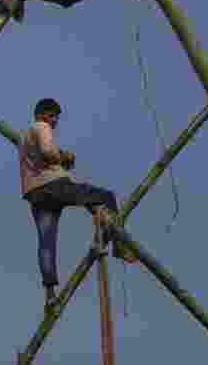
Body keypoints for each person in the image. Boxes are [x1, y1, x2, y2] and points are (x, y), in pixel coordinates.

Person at [19, 97, 136, 309]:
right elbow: (48, 151)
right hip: (53, 186)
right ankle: (120, 248)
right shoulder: (41, 127)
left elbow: (40, 157)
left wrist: (60, 159)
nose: (55, 121)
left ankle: (50, 294)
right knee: (106, 197)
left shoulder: (25, 137)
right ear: (43, 114)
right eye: (53, 116)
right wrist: (65, 157)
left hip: (35, 193)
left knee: (46, 242)